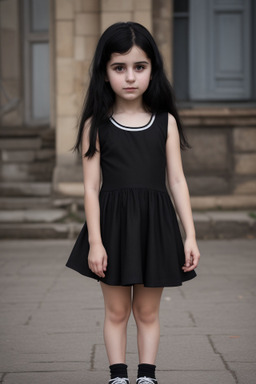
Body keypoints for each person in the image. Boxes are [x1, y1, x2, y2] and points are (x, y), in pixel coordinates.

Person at [66, 22, 200, 384]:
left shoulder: (165, 123)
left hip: (155, 227)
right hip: (112, 228)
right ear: (104, 72)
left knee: (147, 311)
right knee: (116, 310)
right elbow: (91, 188)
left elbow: (176, 180)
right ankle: (117, 376)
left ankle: (147, 376)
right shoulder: (96, 125)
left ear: (152, 70)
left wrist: (190, 235)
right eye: (119, 67)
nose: (130, 77)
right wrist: (95, 241)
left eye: (139, 67)